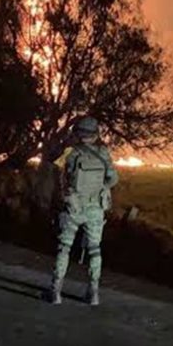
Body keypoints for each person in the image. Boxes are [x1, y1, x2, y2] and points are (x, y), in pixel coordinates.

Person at [48, 116, 118, 306]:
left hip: (74, 207)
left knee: (64, 248)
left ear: (78, 133)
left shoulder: (70, 152)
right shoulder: (103, 152)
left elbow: (54, 168)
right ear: (95, 134)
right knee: (95, 250)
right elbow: (113, 179)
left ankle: (55, 292)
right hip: (96, 208)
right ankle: (93, 294)